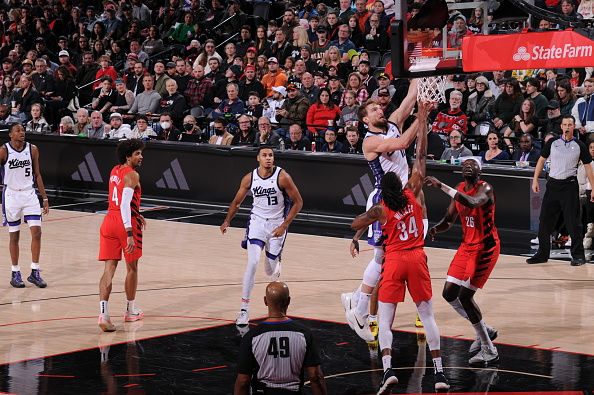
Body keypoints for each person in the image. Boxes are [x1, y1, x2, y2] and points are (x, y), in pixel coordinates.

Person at [351, 102, 450, 392]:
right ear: (403, 184)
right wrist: (423, 118)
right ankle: (440, 372)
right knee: (428, 315)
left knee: (386, 318)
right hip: (417, 258)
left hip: (394, 262)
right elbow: (418, 156)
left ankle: (387, 369)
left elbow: (355, 223)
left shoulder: (381, 209)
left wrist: (359, 229)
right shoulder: (413, 192)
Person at [342, 80, 420, 342]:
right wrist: (424, 117)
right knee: (382, 257)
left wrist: (420, 71)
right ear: (365, 120)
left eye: (379, 107)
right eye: (373, 109)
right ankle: (360, 305)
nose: (380, 110)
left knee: (385, 258)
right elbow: (401, 144)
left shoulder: (394, 123)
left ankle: (356, 300)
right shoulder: (370, 141)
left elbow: (410, 97)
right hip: (382, 199)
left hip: (399, 198)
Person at [425, 157, 500, 365]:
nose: (468, 165)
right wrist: (436, 228)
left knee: (466, 296)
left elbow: (472, 201)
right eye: (465, 164)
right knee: (449, 293)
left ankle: (489, 349)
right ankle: (485, 330)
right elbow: (449, 219)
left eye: (473, 164)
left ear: (480, 171)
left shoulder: (485, 188)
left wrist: (441, 186)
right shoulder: (459, 187)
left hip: (485, 247)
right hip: (467, 246)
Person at [220, 146, 303, 326]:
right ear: (258, 158)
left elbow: (298, 202)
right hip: (257, 222)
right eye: (264, 155)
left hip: (276, 225)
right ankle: (244, 310)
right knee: (253, 262)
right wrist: (227, 220)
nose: (268, 158)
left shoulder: (283, 177)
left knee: (269, 270)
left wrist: (284, 225)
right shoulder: (249, 178)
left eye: (271, 155)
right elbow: (236, 202)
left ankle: (276, 264)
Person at [234, 282, 327, 395]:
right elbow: (315, 376)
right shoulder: (304, 334)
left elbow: (243, 381)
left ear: (265, 301)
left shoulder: (252, 336)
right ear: (288, 301)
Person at [527, 115, 594, 266]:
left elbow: (588, 166)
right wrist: (535, 180)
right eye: (565, 124)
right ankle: (542, 254)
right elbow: (541, 160)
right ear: (561, 126)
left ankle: (578, 256)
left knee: (573, 222)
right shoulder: (552, 142)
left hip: (569, 186)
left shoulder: (579, 145)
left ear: (574, 126)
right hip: (552, 186)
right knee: (544, 221)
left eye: (570, 124)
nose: (567, 127)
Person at [97, 139, 146, 332]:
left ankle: (103, 313)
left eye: (141, 153)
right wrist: (129, 232)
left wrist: (137, 213)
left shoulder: (114, 170)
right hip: (124, 224)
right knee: (132, 268)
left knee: (109, 269)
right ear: (128, 156)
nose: (141, 156)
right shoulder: (132, 175)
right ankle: (130, 310)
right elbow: (125, 205)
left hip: (108, 220)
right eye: (137, 154)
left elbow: (120, 202)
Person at [1, 123, 49, 288]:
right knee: (14, 236)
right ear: (10, 135)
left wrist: (44, 198)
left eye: (23, 130)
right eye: (18, 131)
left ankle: (34, 272)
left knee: (37, 232)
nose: (22, 133)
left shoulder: (33, 149)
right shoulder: (3, 150)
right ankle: (15, 272)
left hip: (29, 194)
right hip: (12, 195)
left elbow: (37, 174)